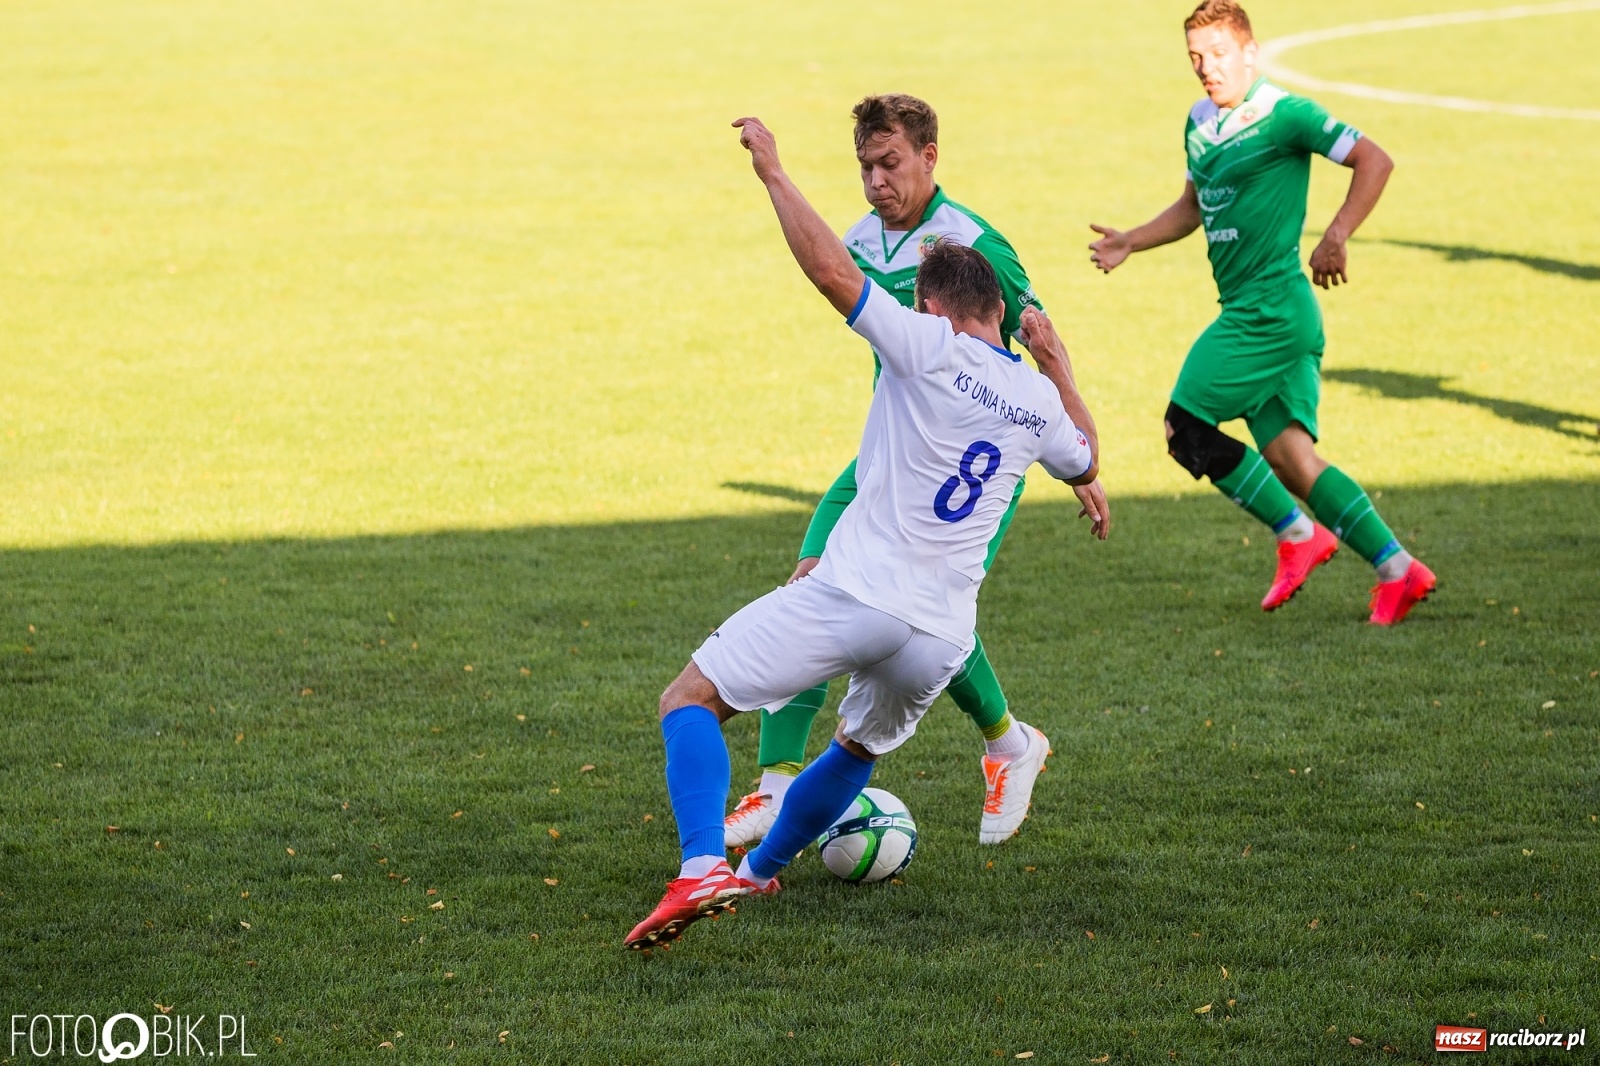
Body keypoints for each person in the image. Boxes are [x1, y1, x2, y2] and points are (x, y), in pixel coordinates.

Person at [625, 115, 1108, 951]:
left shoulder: (926, 346)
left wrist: (774, 173)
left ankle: (703, 864)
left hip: (860, 596)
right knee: (854, 747)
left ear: (931, 308)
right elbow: (1087, 458)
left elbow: (829, 271)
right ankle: (759, 871)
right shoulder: (1036, 402)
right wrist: (1057, 361)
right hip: (942, 635)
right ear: (999, 309)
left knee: (689, 700)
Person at [726, 94, 1057, 852]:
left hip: (969, 470)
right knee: (812, 582)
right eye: (866, 167)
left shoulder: (977, 246)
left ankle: (1009, 744)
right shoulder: (859, 241)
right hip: (885, 460)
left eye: (891, 163)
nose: (877, 181)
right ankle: (776, 785)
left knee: (925, 611)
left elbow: (1039, 343)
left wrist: (1081, 469)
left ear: (929, 157)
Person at [1088, 0, 1435, 625]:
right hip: (1262, 312)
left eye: (1219, 54)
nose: (1207, 68)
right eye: (1196, 57)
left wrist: (1337, 234)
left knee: (1184, 427)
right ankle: (1398, 568)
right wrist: (1131, 240)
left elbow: (1374, 159)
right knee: (1293, 462)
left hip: (1268, 312)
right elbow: (1193, 206)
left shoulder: (1285, 114)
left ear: (1250, 52)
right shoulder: (1198, 122)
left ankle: (1298, 535)